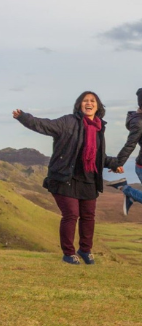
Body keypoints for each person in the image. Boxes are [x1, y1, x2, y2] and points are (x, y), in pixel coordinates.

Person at [13, 91, 122, 265]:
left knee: (88, 216)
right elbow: (44, 125)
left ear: (98, 106)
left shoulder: (99, 127)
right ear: (79, 105)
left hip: (88, 178)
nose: (89, 103)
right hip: (65, 177)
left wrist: (113, 164)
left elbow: (98, 155)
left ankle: (85, 250)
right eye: (85, 100)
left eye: (92, 101)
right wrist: (23, 117)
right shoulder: (68, 122)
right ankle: (68, 253)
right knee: (71, 214)